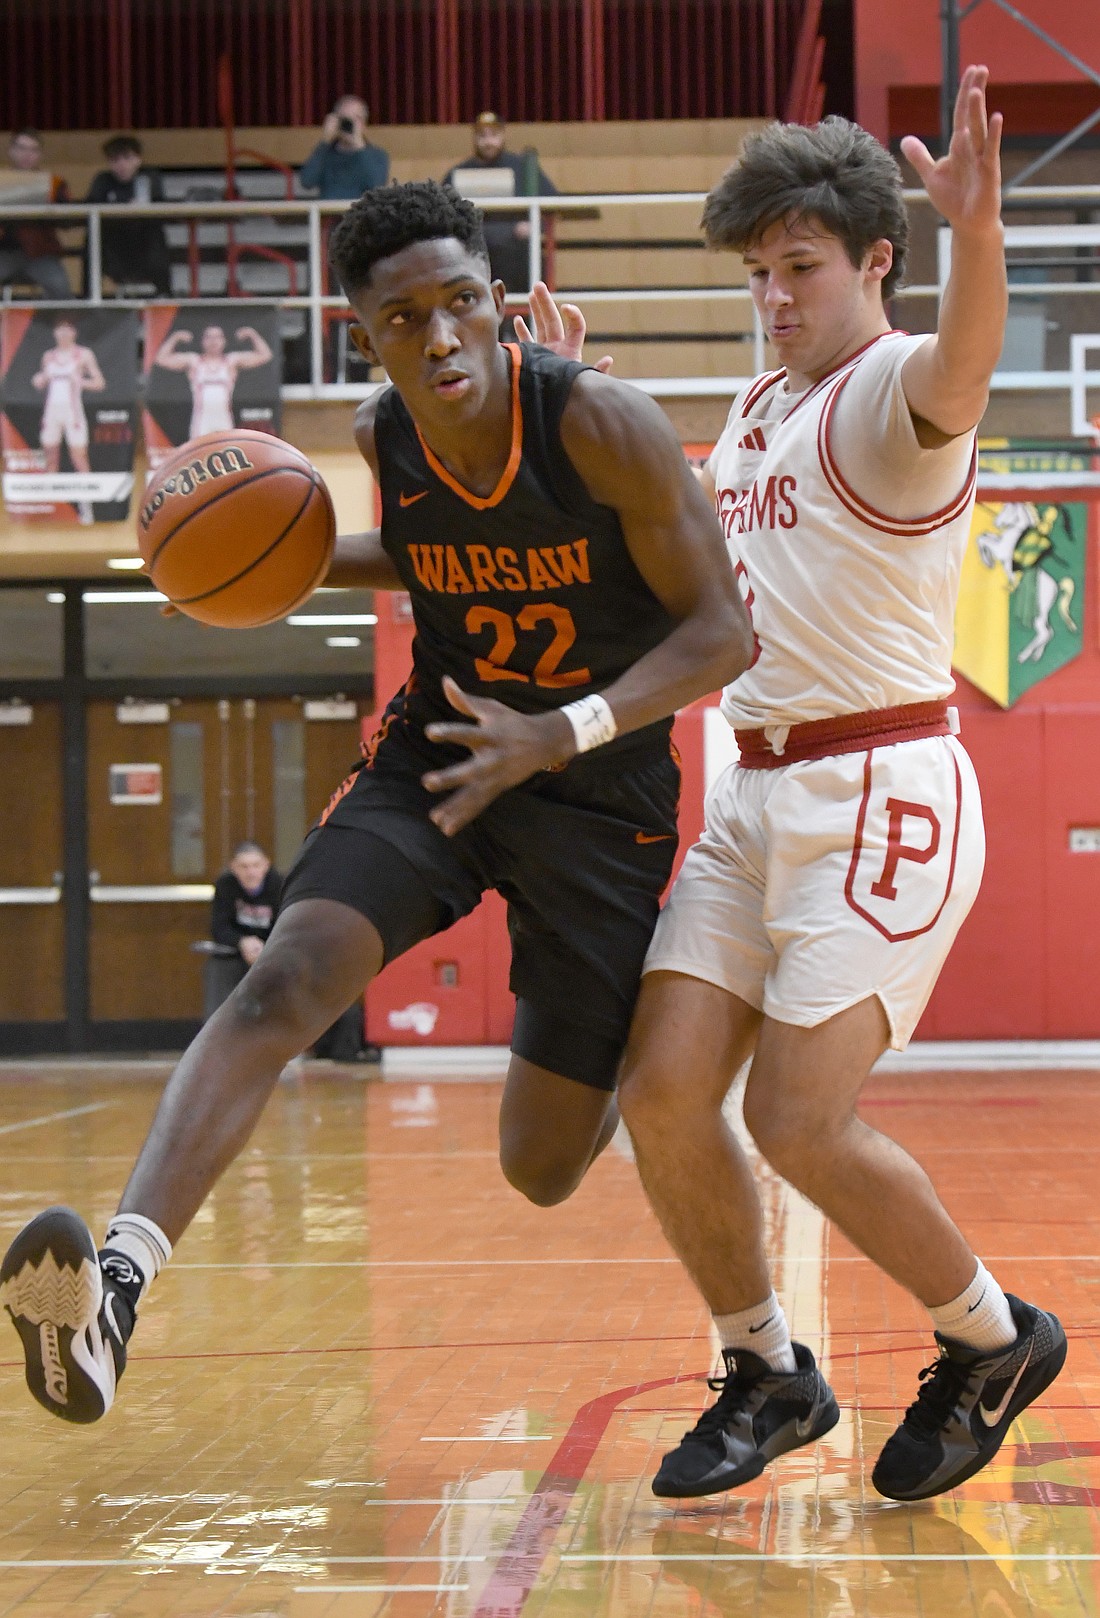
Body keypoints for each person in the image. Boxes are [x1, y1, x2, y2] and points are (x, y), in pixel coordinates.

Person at [0, 178, 752, 1427]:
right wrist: (238, 573)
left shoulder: (602, 424)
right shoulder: (376, 438)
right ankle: (117, 1290)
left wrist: (553, 730)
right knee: (284, 978)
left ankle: (616, 1047)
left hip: (596, 789)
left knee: (541, 1165)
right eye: (407, 319)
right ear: (368, 335)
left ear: (498, 304)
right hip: (445, 754)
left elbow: (721, 634)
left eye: (463, 305)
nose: (441, 337)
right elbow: (417, 557)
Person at [608, 66, 1066, 1505]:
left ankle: (993, 1337)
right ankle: (766, 1369)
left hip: (880, 788)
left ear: (875, 259)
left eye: (799, 265)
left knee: (799, 1118)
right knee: (665, 1090)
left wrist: (979, 238)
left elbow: (964, 368)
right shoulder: (755, 405)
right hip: (750, 789)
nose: (774, 293)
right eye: (758, 271)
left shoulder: (892, 394)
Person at [443, 111, 557, 294]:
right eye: (482, 136)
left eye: (494, 135)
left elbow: (552, 203)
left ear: (503, 136)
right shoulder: (459, 172)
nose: (488, 142)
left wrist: (536, 225)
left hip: (516, 254)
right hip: (474, 252)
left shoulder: (523, 168)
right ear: (474, 138)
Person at [32, 315, 106, 524]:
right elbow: (41, 381)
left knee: (79, 457)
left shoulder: (83, 355)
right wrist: (39, 380)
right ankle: (52, 508)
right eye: (59, 329)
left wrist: (81, 381)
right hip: (52, 414)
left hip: (73, 413)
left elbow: (99, 382)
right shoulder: (49, 357)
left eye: (67, 329)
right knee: (50, 457)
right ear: (55, 333)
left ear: (74, 333)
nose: (63, 333)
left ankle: (87, 509)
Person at [153, 322, 273, 440]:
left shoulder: (231, 361)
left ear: (224, 341)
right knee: (200, 454)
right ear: (202, 341)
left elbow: (265, 355)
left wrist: (252, 334)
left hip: (224, 419)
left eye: (217, 337)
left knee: (225, 453)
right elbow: (161, 359)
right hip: (201, 421)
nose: (213, 341)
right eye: (209, 337)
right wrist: (176, 337)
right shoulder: (194, 361)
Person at [85, 134, 172, 296]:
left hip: (144, 248)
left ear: (138, 159)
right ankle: (89, 297)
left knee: (156, 235)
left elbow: (161, 209)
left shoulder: (149, 178)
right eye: (115, 160)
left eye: (127, 158)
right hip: (114, 250)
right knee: (92, 239)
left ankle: (164, 295)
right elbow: (89, 207)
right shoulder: (102, 180)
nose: (122, 164)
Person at [203, 841, 282, 1018]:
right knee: (217, 968)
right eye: (244, 867)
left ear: (266, 865)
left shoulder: (280, 886)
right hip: (234, 951)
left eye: (255, 865)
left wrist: (263, 946)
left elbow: (286, 926)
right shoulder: (225, 885)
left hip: (271, 951)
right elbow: (219, 927)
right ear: (233, 868)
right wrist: (242, 942)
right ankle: (218, 1026)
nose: (251, 872)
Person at [0, 128, 72, 300]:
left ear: (39, 154)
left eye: (33, 150)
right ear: (11, 151)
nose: (27, 154)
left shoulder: (54, 183)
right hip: (4, 252)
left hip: (41, 253)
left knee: (62, 290)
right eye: (22, 148)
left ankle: (57, 327)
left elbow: (68, 221)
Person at [298, 96, 390, 201]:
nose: (349, 124)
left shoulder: (378, 155)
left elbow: (377, 187)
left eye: (356, 119)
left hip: (361, 214)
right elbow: (307, 182)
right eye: (344, 119)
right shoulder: (325, 153)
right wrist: (325, 140)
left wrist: (359, 146)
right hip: (329, 214)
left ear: (364, 125)